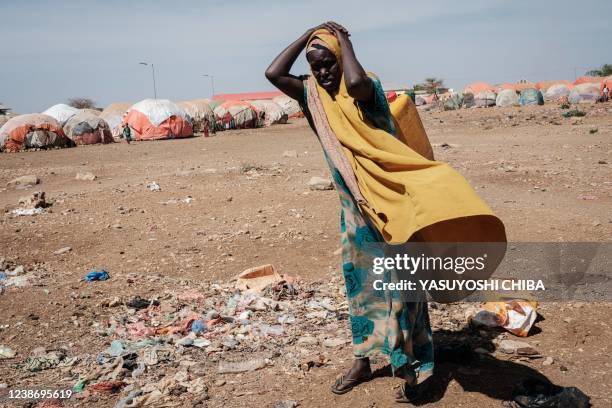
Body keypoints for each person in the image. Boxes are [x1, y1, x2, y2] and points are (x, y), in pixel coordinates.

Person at [266, 22, 505, 403]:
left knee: (405, 288)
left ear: (342, 59)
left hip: (391, 208)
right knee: (361, 287)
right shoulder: (313, 97)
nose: (324, 72)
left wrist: (343, 41)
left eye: (329, 63)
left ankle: (418, 369)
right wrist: (310, 33)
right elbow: (273, 73)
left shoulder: (367, 90)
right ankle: (364, 358)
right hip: (355, 213)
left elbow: (356, 82)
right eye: (316, 67)